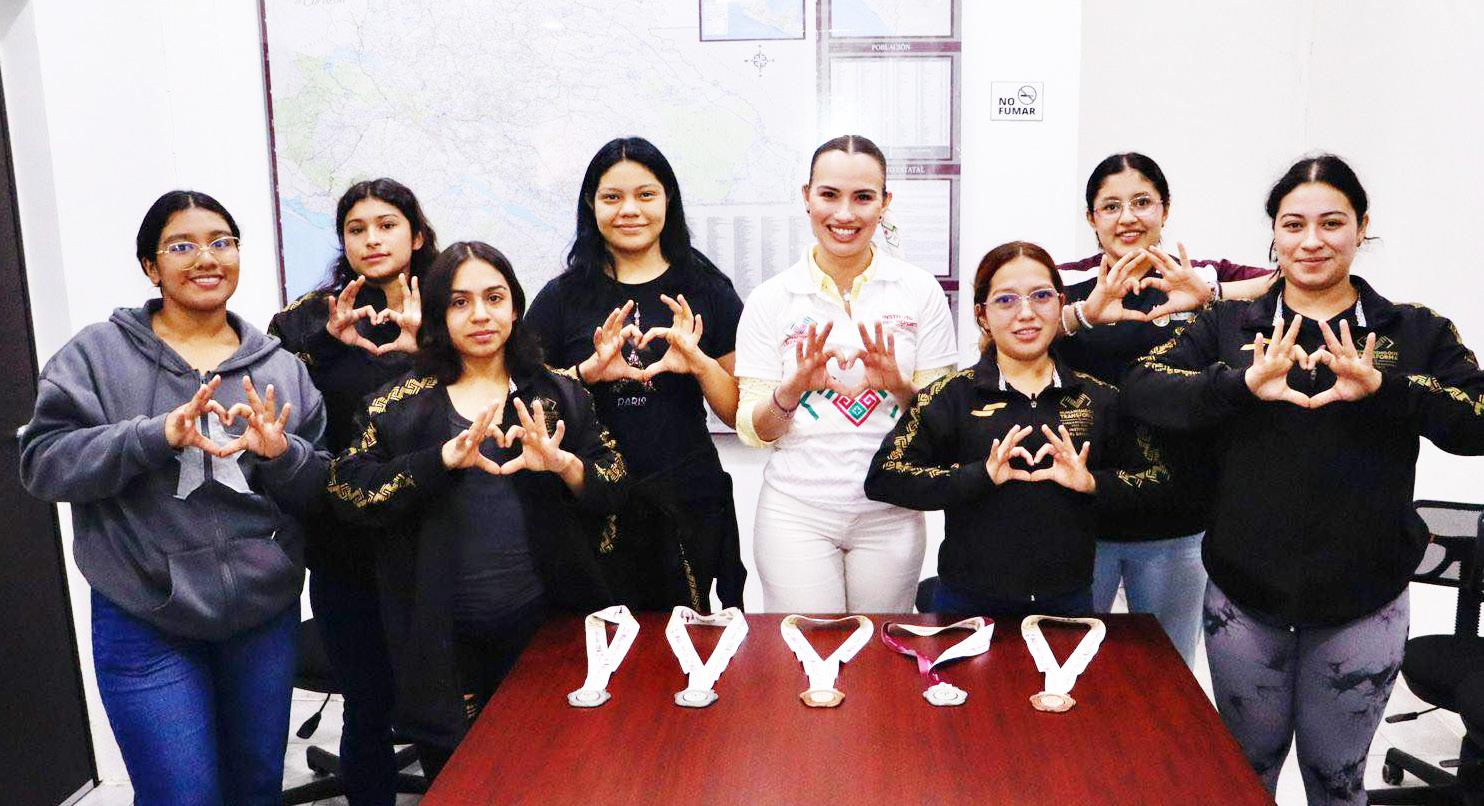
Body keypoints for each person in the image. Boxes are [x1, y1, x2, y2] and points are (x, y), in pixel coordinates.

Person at [1122, 154, 1484, 803]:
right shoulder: (1227, 326)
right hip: (1245, 598)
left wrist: (1387, 389)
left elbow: (1477, 421)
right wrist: (1239, 385)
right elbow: (1144, 390)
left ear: (1362, 226)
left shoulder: (1412, 329)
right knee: (1244, 776)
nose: (1312, 241)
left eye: (1331, 222)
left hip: (1364, 600)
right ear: (1274, 232)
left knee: (1337, 781)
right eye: (1294, 224)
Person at [20, 190, 328, 804]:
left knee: (256, 789)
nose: (206, 258)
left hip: (261, 617)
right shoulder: (96, 355)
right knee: (179, 795)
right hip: (145, 616)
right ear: (150, 267)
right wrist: (153, 435)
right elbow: (42, 463)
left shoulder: (282, 368)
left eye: (221, 242)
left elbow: (318, 489)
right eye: (182, 246)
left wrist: (281, 455)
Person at [326, 241, 626, 780]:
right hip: (443, 641)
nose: (481, 315)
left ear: (515, 306)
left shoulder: (559, 393)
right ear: (439, 315)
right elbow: (347, 491)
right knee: (462, 782)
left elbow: (616, 483)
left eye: (494, 297)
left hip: (548, 629)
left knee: (555, 777)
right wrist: (439, 460)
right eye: (460, 302)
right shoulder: (396, 404)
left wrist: (563, 465)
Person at [864, 241, 1173, 620]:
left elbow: (1160, 481)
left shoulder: (1100, 397)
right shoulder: (950, 395)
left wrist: (1092, 483)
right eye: (1006, 300)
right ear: (982, 314)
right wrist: (980, 475)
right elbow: (884, 478)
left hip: (1067, 603)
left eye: (1041, 296)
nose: (1026, 313)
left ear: (1060, 303)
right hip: (965, 603)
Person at [1054, 152, 1275, 666]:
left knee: (1169, 673)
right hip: (1081, 513)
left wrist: (1211, 294)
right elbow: (1001, 329)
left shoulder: (1201, 276)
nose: (1127, 217)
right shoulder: (1066, 282)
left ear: (1165, 209)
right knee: (1070, 669)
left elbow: (1292, 277)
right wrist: (1082, 315)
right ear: (1091, 218)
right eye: (1111, 206)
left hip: (1178, 516)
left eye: (1142, 202)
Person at [734, 134, 958, 613]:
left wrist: (899, 387)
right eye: (829, 195)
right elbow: (753, 431)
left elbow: (945, 425)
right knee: (807, 648)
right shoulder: (771, 299)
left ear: (884, 203)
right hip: (796, 513)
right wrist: (791, 391)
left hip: (891, 510)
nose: (845, 214)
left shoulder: (919, 291)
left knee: (880, 649)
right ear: (807, 197)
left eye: (863, 197)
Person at [268, 178, 436, 804]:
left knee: (447, 696)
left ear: (417, 235)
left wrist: (426, 350)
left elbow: (494, 391)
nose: (372, 239)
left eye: (387, 225)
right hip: (345, 534)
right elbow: (272, 401)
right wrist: (320, 347)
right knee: (366, 699)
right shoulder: (308, 319)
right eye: (356, 229)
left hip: (434, 530)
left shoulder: (452, 307)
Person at [526, 137, 745, 612]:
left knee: (688, 649)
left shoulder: (707, 289)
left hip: (686, 500)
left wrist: (700, 364)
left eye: (646, 195)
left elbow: (738, 413)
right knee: (596, 648)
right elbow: (525, 407)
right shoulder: (561, 298)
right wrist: (586, 373)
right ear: (592, 204)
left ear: (669, 200)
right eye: (612, 197)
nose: (630, 210)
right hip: (592, 504)